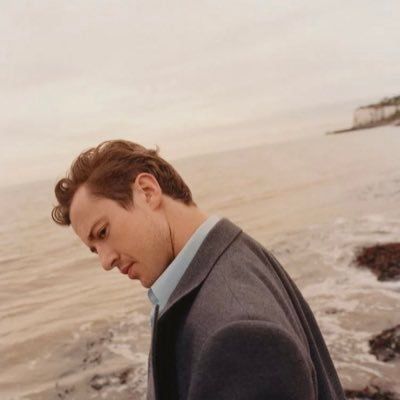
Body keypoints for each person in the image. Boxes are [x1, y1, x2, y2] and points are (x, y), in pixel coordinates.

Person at [51, 139, 346, 400]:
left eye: (102, 233)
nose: (105, 262)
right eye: (94, 250)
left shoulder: (237, 335)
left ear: (146, 191)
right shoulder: (234, 253)